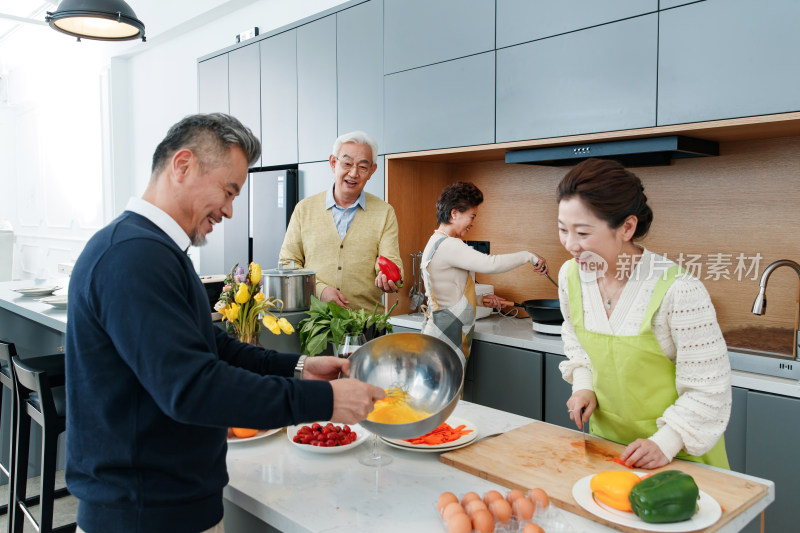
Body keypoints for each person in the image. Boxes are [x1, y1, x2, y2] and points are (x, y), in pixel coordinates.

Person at [65, 113, 385, 533]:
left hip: (163, 506)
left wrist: (299, 368)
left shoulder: (152, 250)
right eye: (229, 190)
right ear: (183, 165)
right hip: (145, 516)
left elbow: (211, 346)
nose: (231, 210)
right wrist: (325, 403)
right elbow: (193, 388)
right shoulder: (134, 257)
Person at [556, 158, 731, 470]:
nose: (570, 245)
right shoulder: (571, 276)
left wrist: (665, 443)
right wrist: (584, 384)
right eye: (562, 230)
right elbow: (576, 339)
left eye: (582, 233)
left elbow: (709, 390)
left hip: (679, 459)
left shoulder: (679, 291)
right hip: (609, 451)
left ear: (627, 227)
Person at [420, 182, 548, 366]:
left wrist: (479, 300)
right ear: (454, 213)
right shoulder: (449, 245)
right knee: (448, 393)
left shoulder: (436, 241)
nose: (472, 223)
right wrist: (528, 256)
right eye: (472, 216)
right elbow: (491, 264)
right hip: (446, 335)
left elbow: (448, 293)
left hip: (445, 331)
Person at [279, 131, 402, 312]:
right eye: (347, 164)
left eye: (362, 167)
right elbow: (288, 264)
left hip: (366, 323)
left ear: (372, 171)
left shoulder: (384, 212)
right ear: (333, 163)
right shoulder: (304, 209)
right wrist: (320, 290)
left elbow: (390, 260)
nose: (353, 173)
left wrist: (389, 277)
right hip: (315, 324)